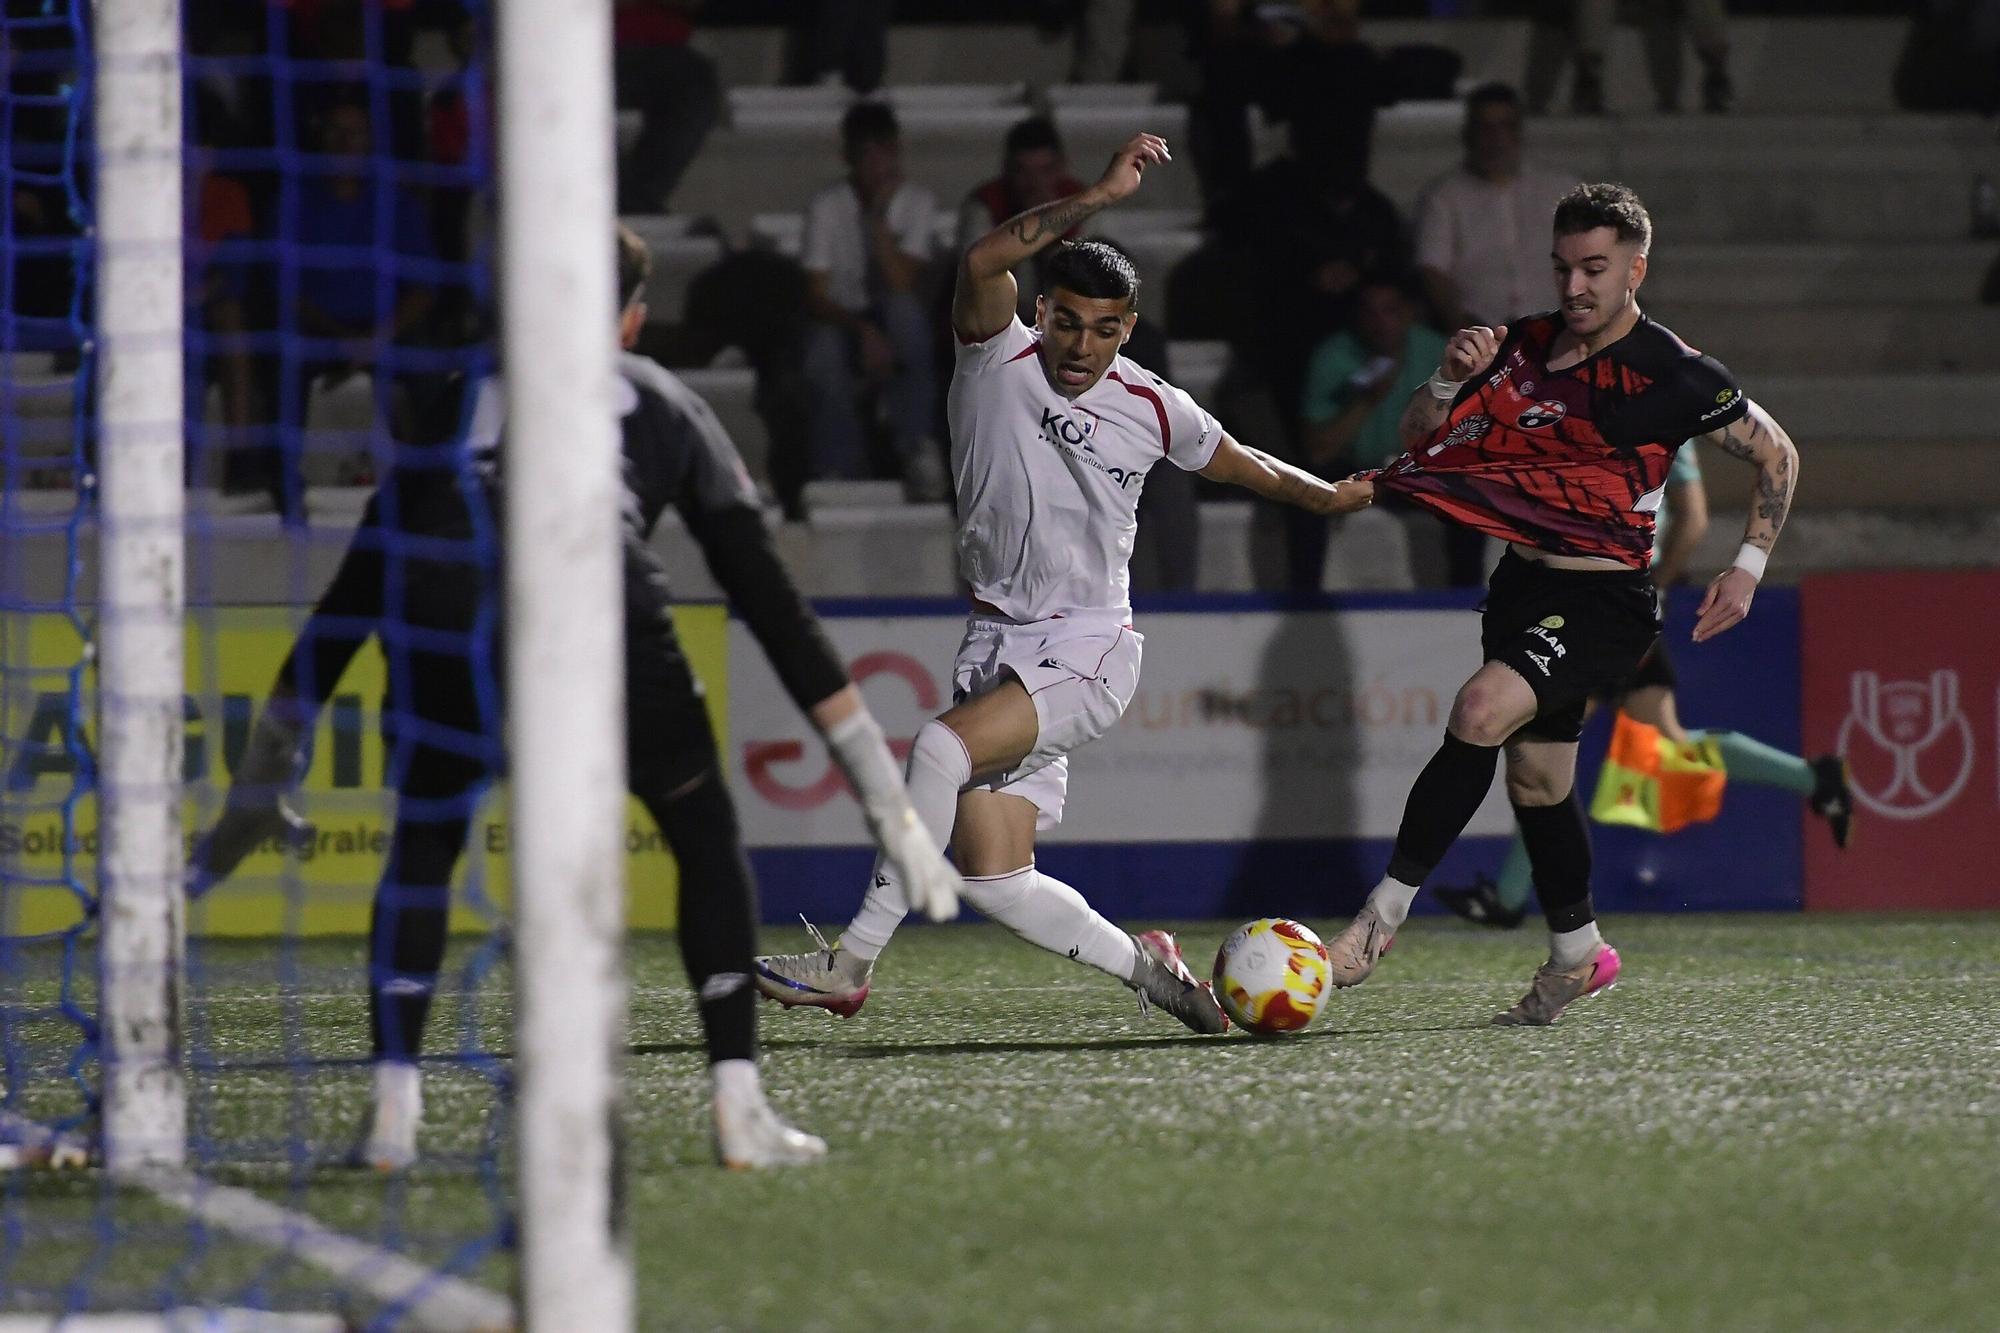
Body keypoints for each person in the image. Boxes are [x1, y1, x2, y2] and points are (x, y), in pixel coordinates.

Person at [187, 226, 963, 1171]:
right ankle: (737, 1107)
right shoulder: (664, 400)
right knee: (703, 832)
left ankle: (391, 1113)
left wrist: (259, 780)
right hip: (602, 613)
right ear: (632, 319)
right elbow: (772, 607)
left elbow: (352, 597)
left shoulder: (447, 397)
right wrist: (889, 805)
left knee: (427, 837)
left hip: (448, 620)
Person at [753, 134, 1374, 1032]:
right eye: (1069, 320)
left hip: (1088, 644)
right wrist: (1103, 194)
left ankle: (850, 964)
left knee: (938, 749)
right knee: (995, 880)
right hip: (997, 638)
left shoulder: (1154, 403)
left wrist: (1329, 496)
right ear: (1042, 310)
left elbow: (1242, 464)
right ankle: (1159, 978)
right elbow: (981, 256)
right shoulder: (991, 353)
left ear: (1129, 328)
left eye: (1106, 328)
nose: (1082, 344)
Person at [1322, 182, 1800, 1026]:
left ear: (1634, 270)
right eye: (1562, 267)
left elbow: (1778, 455)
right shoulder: (1520, 346)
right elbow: (1417, 437)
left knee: (1479, 709)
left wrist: (1748, 566)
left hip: (1608, 597)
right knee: (1538, 781)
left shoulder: (1673, 371)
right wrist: (1444, 375)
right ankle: (1579, 952)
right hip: (1523, 585)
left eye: (1595, 269)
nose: (1574, 287)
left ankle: (1377, 919)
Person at [1434, 440, 1853, 927]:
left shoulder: (1662, 407)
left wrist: (1650, 593)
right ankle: (1816, 778)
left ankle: (1507, 899)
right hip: (1607, 599)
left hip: (1610, 603)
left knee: (1541, 740)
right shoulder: (1622, 401)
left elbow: (1692, 517)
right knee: (1665, 743)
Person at [799, 101, 947, 500]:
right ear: (850, 158)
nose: (879, 166)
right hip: (843, 318)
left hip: (896, 317)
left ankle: (916, 446)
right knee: (822, 354)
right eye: (868, 155)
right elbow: (815, 294)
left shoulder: (917, 203)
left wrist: (877, 220)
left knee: (905, 317)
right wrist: (862, 330)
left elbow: (901, 283)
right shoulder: (826, 206)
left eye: (887, 153)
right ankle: (839, 469)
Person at [1297, 273, 1449, 587]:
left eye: (1390, 310)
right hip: (1357, 470)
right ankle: (1305, 604)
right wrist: (1366, 401)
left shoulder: (1440, 355)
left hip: (1420, 469)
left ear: (1409, 312)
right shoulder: (1334, 356)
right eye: (1370, 312)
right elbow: (1318, 451)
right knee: (1306, 496)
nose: (1380, 323)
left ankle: (1466, 600)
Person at [1414, 84, 1580, 340]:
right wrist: (1461, 326)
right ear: (1468, 133)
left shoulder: (1559, 188)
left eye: (1505, 127)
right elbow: (1432, 269)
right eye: (1485, 128)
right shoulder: (1443, 197)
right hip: (1481, 334)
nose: (1495, 138)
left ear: (1518, 132)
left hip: (1558, 328)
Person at [955, 117, 1088, 326]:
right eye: (1023, 171)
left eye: (1044, 171)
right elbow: (977, 277)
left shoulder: (1081, 202)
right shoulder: (984, 205)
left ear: (1061, 168)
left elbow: (1086, 280)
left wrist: (1048, 228)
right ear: (1007, 170)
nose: (1034, 184)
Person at [613, 0, 721, 215]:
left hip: (666, 52)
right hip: (580, 48)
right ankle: (632, 204)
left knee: (696, 86)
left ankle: (634, 203)